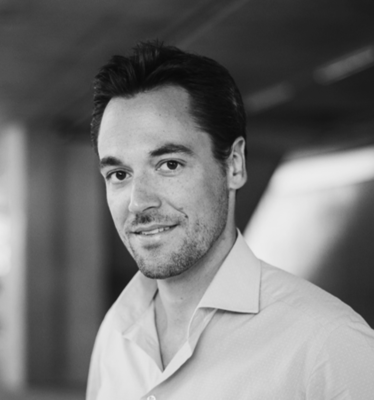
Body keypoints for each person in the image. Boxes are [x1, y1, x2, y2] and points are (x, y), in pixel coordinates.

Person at [86, 41, 374, 399]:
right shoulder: (115, 333)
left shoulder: (328, 343)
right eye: (119, 174)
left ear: (234, 165)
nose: (138, 202)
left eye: (169, 165)